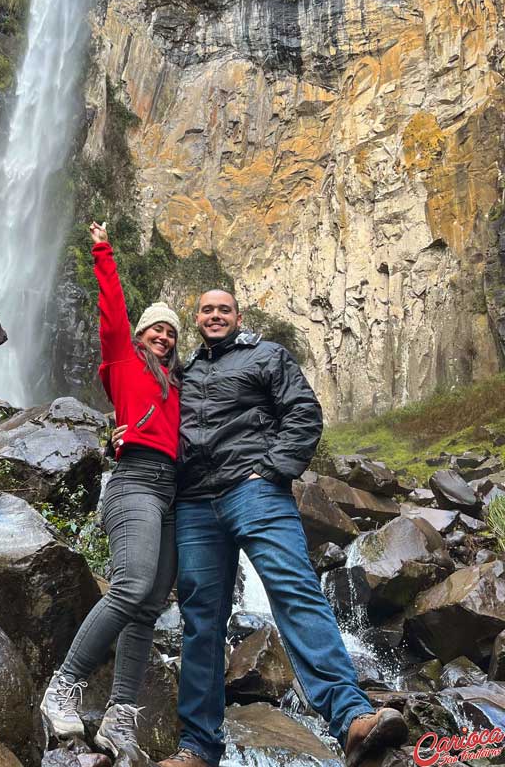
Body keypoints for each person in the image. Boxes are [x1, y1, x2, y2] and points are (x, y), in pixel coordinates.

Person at [114, 289, 408, 767]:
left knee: (294, 590)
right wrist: (123, 433)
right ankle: (198, 747)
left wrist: (271, 468)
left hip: (254, 492)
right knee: (200, 621)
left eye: (223, 310)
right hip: (193, 503)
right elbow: (152, 412)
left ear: (237, 316)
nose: (214, 316)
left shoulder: (266, 354)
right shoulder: (181, 372)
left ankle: (352, 716)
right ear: (197, 318)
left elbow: (304, 412)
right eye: (206, 310)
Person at [40, 221, 183, 760]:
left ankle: (120, 720)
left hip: (171, 492)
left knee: (147, 606)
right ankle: (64, 687)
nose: (163, 337)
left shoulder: (176, 386)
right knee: (130, 586)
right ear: (141, 335)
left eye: (171, 332)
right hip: (135, 483)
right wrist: (102, 251)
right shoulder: (123, 359)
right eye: (156, 330)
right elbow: (114, 315)